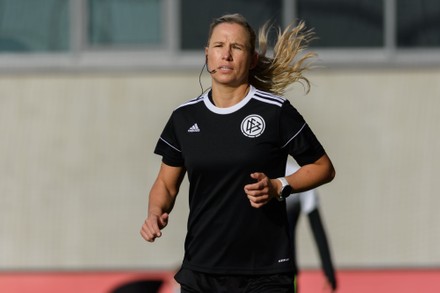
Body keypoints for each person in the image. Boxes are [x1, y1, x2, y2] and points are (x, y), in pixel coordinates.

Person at [140, 13, 335, 293]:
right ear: (207, 54)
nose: (226, 55)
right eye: (219, 46)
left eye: (237, 47)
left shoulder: (276, 111)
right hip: (201, 273)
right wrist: (154, 212)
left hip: (265, 274)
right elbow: (165, 185)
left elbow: (323, 167)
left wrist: (278, 185)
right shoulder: (184, 118)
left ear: (252, 59)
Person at [286, 159, 337, 293]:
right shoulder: (299, 173)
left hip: (282, 270)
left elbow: (317, 227)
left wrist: (328, 271)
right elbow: (317, 229)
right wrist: (329, 271)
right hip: (285, 268)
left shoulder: (299, 175)